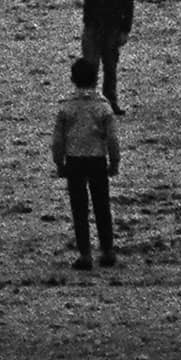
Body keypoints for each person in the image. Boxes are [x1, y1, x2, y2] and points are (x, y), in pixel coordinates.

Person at [52, 56, 120, 270]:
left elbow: (58, 140)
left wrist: (59, 163)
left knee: (79, 209)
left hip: (74, 161)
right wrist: (114, 162)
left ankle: (85, 254)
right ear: (96, 78)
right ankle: (107, 251)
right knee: (102, 206)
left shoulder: (67, 108)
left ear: (73, 79)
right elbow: (112, 139)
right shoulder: (103, 107)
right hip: (97, 160)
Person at [75, 0, 134, 115]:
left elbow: (128, 6)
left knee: (110, 67)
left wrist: (125, 30)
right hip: (92, 27)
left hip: (112, 29)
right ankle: (89, 102)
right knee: (90, 65)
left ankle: (110, 102)